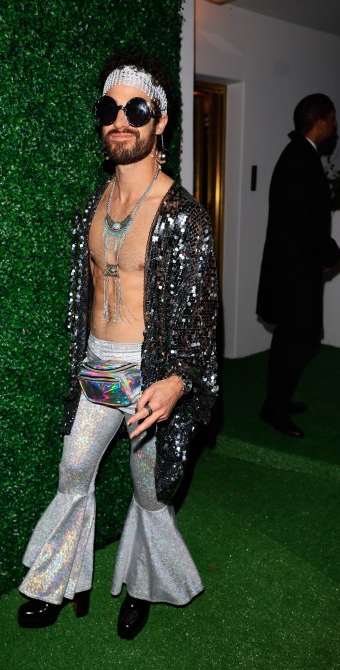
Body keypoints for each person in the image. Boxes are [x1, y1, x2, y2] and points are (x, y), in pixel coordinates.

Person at [17, 50, 218, 639]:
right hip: (98, 367)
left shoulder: (184, 215)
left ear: (161, 122)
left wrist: (177, 382)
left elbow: (201, 318)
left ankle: (142, 587)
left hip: (149, 375)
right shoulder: (94, 204)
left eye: (137, 109)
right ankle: (57, 581)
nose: (121, 120)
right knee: (73, 470)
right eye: (110, 109)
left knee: (149, 491)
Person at [257, 93, 340, 438]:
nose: (335, 126)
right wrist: (331, 253)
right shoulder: (300, 158)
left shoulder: (300, 155)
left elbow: (308, 212)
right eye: (332, 119)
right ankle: (275, 409)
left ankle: (276, 402)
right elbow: (305, 221)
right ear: (319, 121)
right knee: (301, 340)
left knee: (290, 339)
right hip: (294, 271)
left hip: (293, 267)